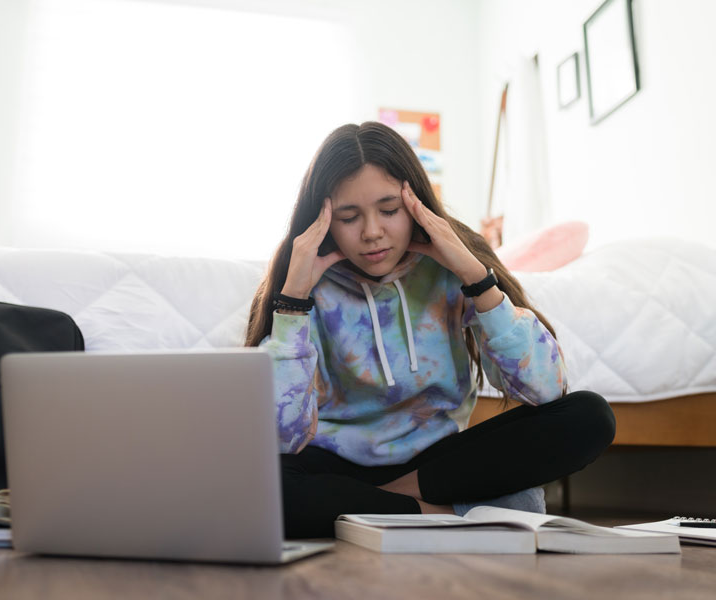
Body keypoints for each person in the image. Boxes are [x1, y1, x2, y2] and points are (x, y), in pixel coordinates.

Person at [244, 122, 615, 539]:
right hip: (332, 461)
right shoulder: (302, 275)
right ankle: (443, 514)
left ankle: (376, 504)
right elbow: (281, 437)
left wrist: (476, 278)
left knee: (591, 416)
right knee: (258, 486)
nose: (371, 232)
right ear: (323, 219)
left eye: (389, 210)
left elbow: (545, 390)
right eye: (349, 216)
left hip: (437, 463)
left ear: (415, 202)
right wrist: (294, 301)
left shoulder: (453, 263)